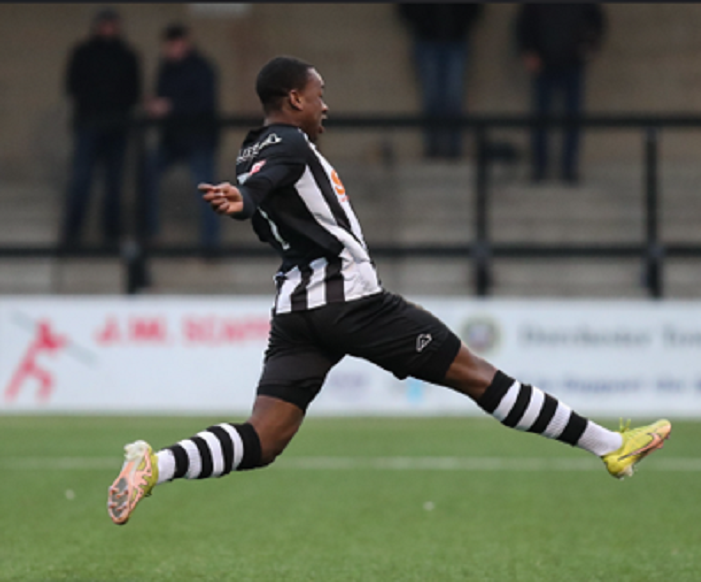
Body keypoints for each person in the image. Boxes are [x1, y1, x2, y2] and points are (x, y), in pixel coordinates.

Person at [106, 56, 671, 526]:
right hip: (353, 302)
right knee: (478, 376)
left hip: (296, 312)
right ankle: (609, 447)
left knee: (265, 438)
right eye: (318, 93)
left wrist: (246, 198)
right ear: (294, 99)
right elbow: (263, 185)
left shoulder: (254, 147)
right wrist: (245, 198)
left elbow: (263, 188)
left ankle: (157, 464)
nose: (325, 104)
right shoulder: (287, 145)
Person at [61, 7, 141, 247]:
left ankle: (111, 235)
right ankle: (72, 235)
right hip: (89, 124)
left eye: (112, 25)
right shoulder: (83, 53)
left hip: (117, 127)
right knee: (81, 180)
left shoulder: (127, 56)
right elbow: (72, 85)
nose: (108, 29)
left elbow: (133, 91)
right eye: (105, 24)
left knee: (114, 184)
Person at [143, 23, 220, 250]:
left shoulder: (202, 68)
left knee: (207, 193)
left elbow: (203, 103)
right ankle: (150, 233)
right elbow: (162, 96)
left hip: (198, 140)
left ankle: (210, 245)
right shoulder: (166, 67)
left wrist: (170, 107)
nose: (173, 49)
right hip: (173, 140)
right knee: (146, 172)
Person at [516, 4, 606, 184]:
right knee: (540, 118)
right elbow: (523, 24)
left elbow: (597, 22)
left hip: (572, 64)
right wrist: (528, 51)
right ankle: (539, 168)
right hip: (544, 65)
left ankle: (569, 168)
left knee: (572, 119)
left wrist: (588, 48)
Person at [397, 3, 482, 159]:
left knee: (454, 97)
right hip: (426, 39)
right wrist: (422, 22)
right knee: (431, 98)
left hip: (456, 40)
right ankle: (433, 147)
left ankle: (454, 148)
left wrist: (461, 23)